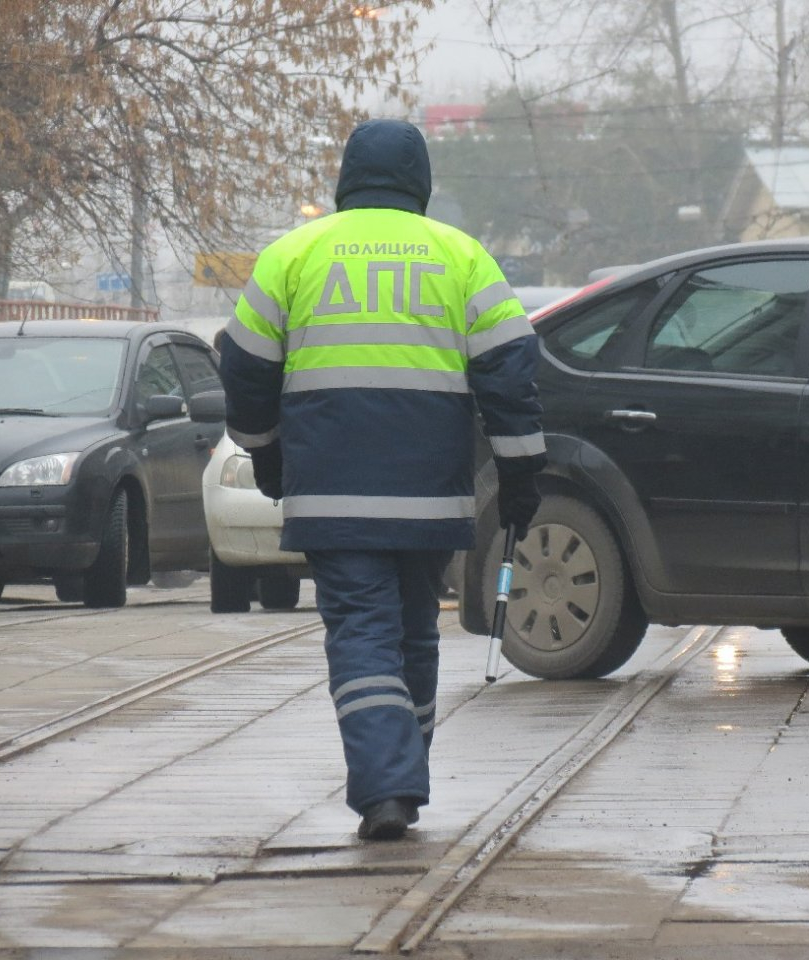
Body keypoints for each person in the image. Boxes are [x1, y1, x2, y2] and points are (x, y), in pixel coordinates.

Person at [218, 118, 545, 841]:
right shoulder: (461, 255)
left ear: (346, 180)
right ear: (420, 184)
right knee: (413, 632)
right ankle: (402, 773)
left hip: (331, 489)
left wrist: (264, 447)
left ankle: (387, 786)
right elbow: (510, 372)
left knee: (362, 634)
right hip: (431, 492)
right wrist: (522, 471)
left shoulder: (294, 253)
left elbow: (241, 362)